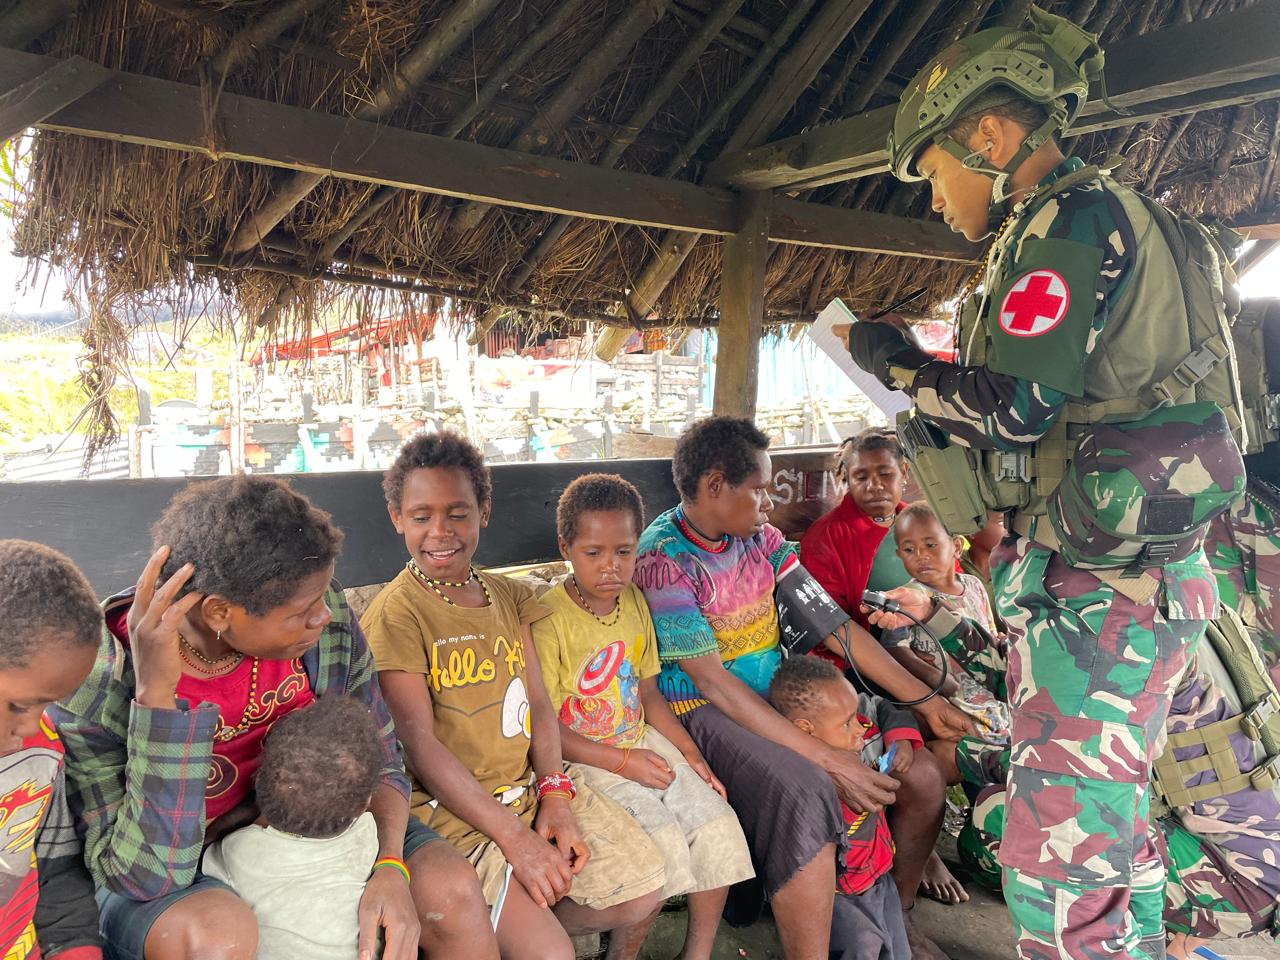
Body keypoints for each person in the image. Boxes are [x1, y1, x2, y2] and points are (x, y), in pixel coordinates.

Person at [847, 10, 1245, 956]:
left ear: (989, 138)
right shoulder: (1138, 222)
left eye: (937, 172)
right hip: (1150, 577)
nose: (936, 199)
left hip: (1098, 599)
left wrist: (899, 365)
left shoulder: (1068, 217)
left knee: (1060, 855)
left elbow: (1018, 407)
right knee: (1114, 833)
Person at [49, 476, 496, 960]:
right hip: (177, 868)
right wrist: (157, 699)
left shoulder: (326, 632)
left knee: (450, 889)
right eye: (302, 611)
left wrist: (390, 865)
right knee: (219, 936)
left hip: (324, 827)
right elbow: (143, 876)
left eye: (324, 598)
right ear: (220, 611)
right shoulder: (97, 675)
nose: (324, 616)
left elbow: (382, 760)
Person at [633, 416, 971, 960]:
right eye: (760, 491)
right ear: (716, 485)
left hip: (779, 692)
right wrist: (830, 759)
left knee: (923, 774)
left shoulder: (761, 541)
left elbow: (833, 625)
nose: (769, 506)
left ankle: (895, 916)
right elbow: (713, 682)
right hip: (704, 710)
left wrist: (925, 701)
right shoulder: (663, 558)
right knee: (810, 788)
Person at [361, 432, 666, 960]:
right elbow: (419, 744)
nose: (440, 532)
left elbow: (539, 706)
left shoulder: (507, 597)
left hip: (525, 794)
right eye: (420, 517)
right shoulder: (397, 615)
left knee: (643, 889)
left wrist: (554, 794)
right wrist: (515, 841)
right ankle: (504, 922)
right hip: (454, 816)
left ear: (484, 511)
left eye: (457, 513)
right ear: (396, 518)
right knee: (552, 954)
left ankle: (512, 917)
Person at [531, 472, 754, 960]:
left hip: (642, 741)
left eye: (624, 552)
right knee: (662, 847)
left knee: (716, 826)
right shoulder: (547, 620)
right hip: (585, 761)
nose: (611, 567)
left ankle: (696, 953)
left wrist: (691, 756)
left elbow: (649, 693)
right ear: (565, 547)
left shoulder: (633, 602)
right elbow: (544, 726)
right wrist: (621, 761)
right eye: (593, 553)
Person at [798, 428, 970, 908]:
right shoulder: (829, 538)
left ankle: (922, 842)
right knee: (935, 754)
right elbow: (835, 637)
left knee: (969, 737)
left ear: (905, 476)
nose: (874, 485)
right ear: (844, 481)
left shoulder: (914, 527)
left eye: (885, 474)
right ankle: (919, 846)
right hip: (857, 677)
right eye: (861, 476)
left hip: (922, 671)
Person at [201, 696, 385, 960]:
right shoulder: (367, 833)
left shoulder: (240, 852)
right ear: (364, 803)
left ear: (259, 781)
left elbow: (203, 859)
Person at [769, 655, 914, 960]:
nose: (860, 729)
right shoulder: (806, 783)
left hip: (879, 876)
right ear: (806, 730)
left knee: (897, 951)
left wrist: (899, 737)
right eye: (847, 723)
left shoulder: (856, 731)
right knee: (860, 948)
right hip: (840, 897)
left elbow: (885, 709)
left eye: (855, 717)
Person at [0, 541, 103, 960]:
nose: (32, 725)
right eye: (19, 705)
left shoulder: (41, 752)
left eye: (50, 703)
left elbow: (57, 876)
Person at [886, 501, 1010, 786]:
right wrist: (933, 677)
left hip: (987, 687)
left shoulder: (975, 586)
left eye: (931, 545)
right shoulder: (908, 597)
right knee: (978, 742)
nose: (921, 556)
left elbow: (987, 633)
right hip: (950, 696)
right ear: (898, 554)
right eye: (909, 549)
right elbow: (894, 648)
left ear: (956, 546)